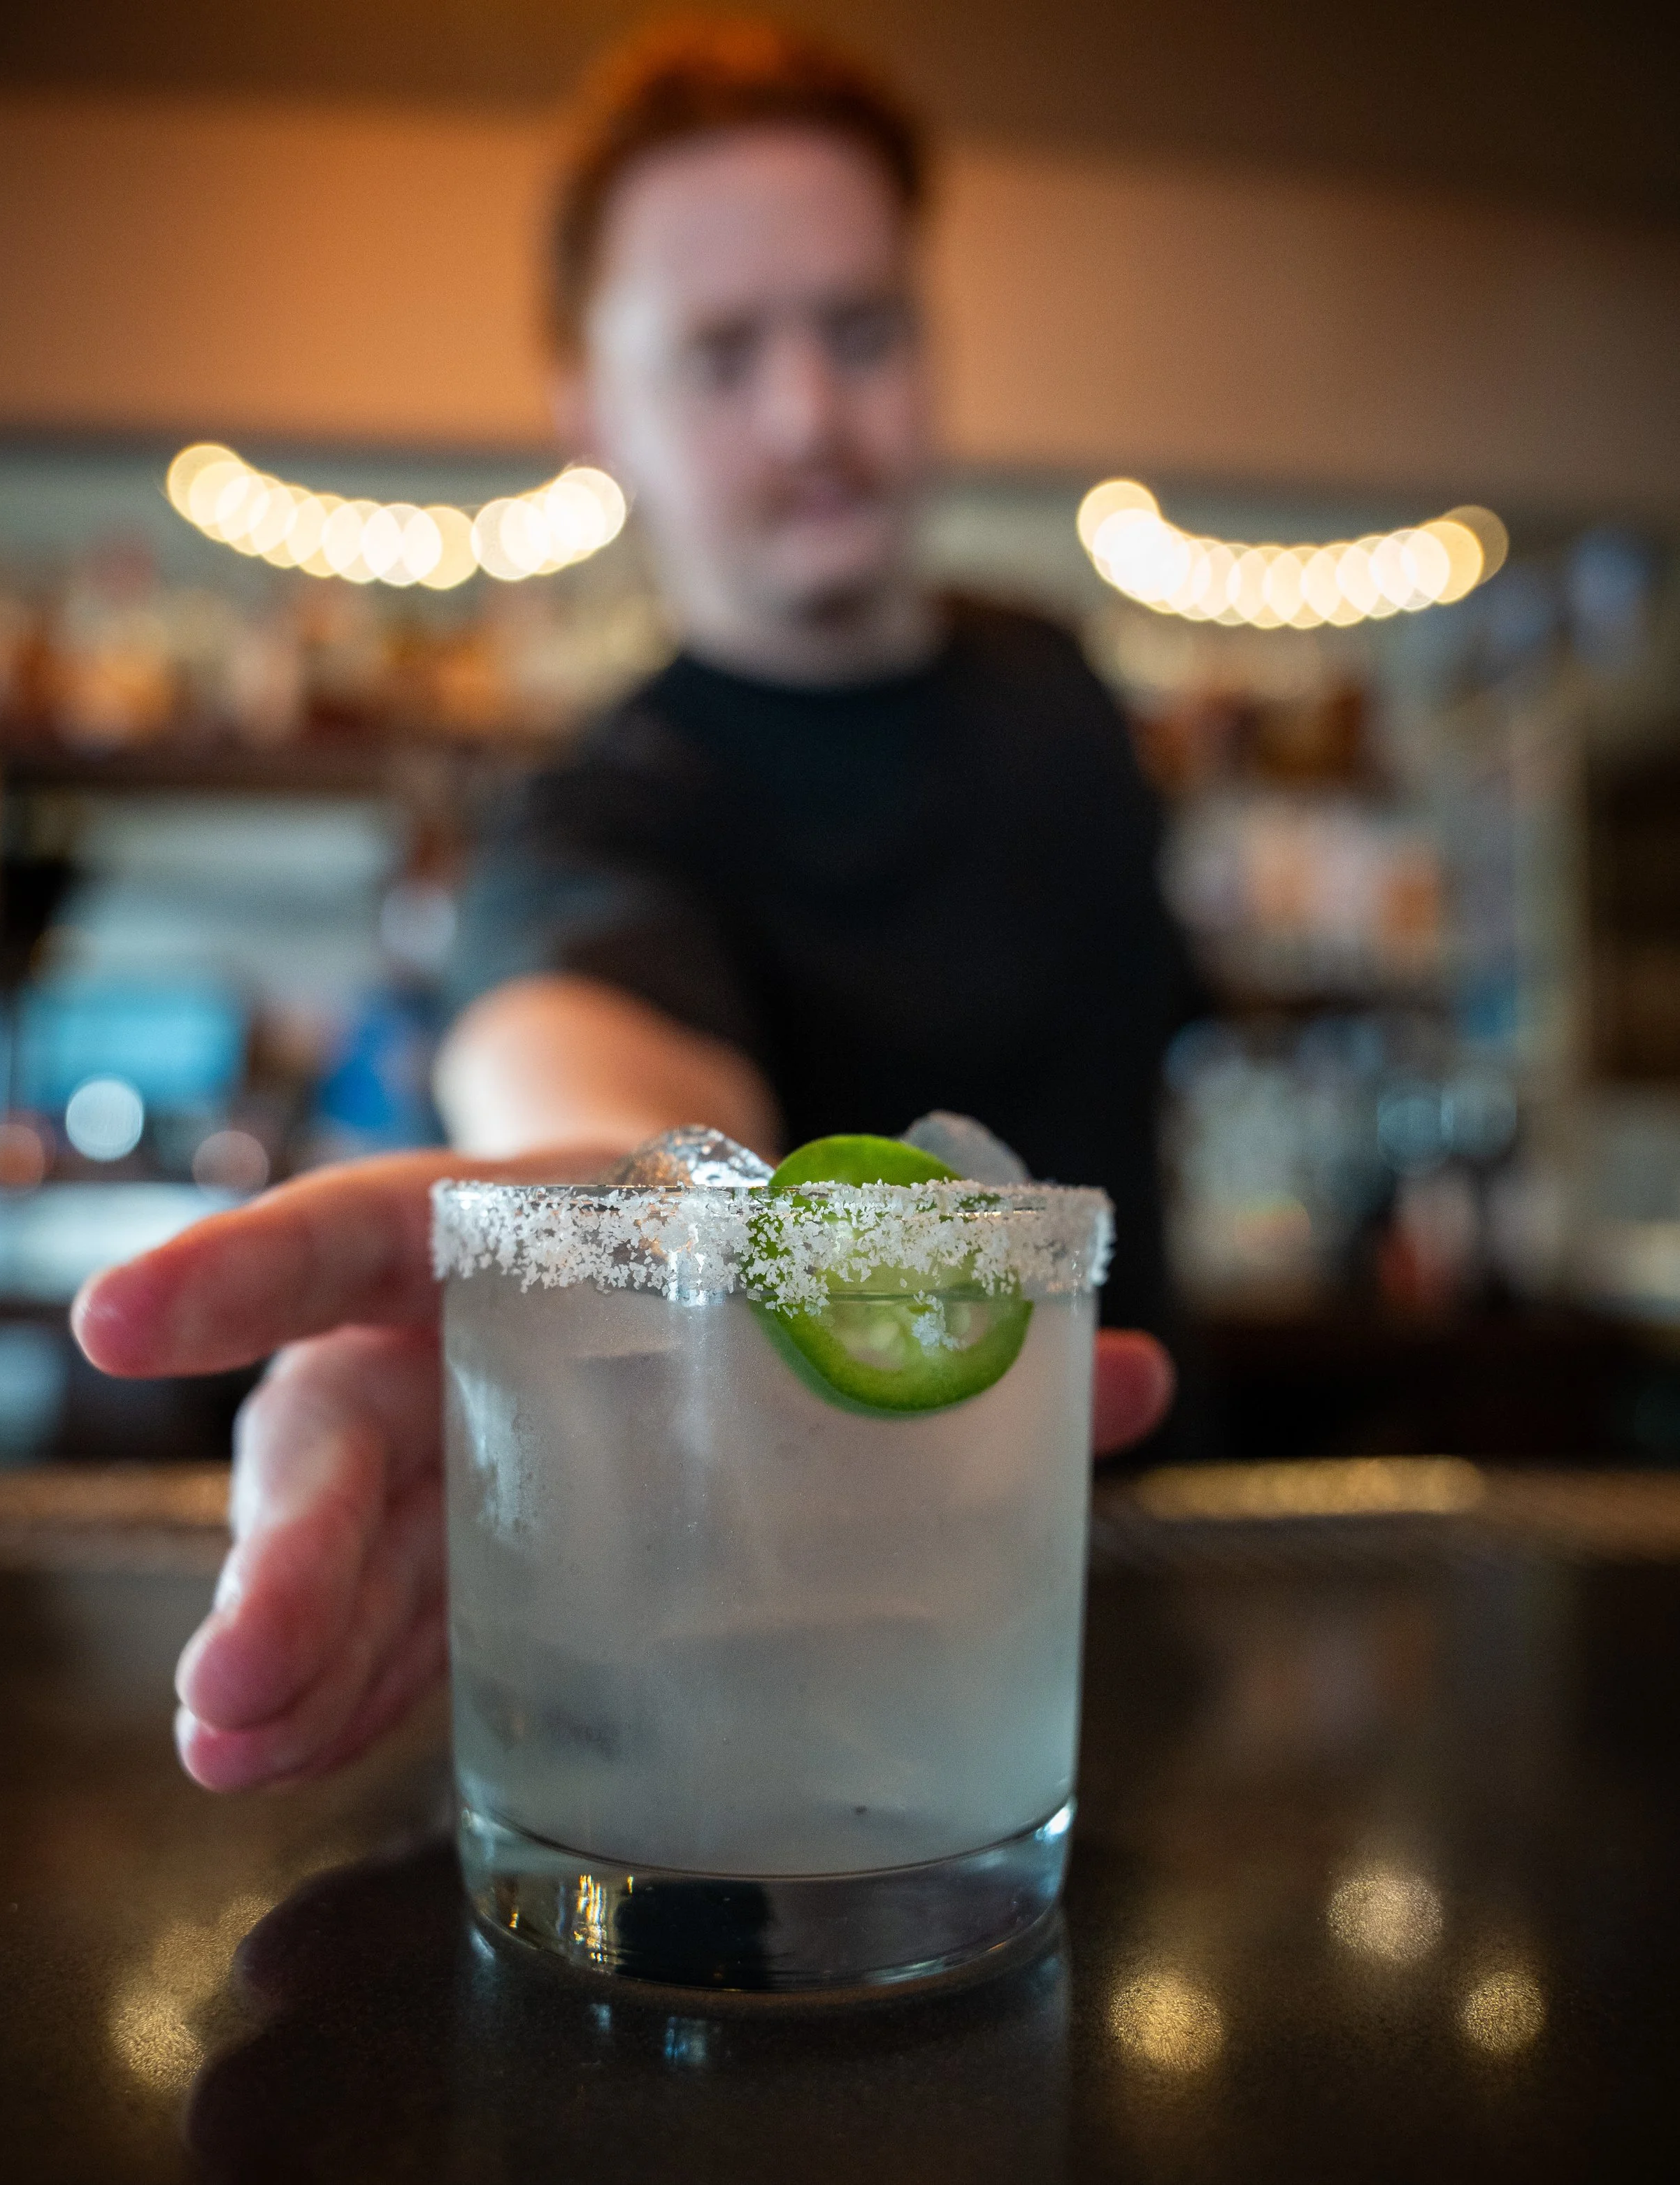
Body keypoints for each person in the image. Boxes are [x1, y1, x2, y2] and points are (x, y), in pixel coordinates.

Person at [71, 19, 1187, 1795]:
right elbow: (609, 1089)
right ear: (595, 417)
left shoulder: (1057, 682)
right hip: (806, 1709)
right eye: (723, 354)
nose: (811, 412)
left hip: (1131, 1584)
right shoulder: (592, 809)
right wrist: (586, 1231)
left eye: (862, 330)